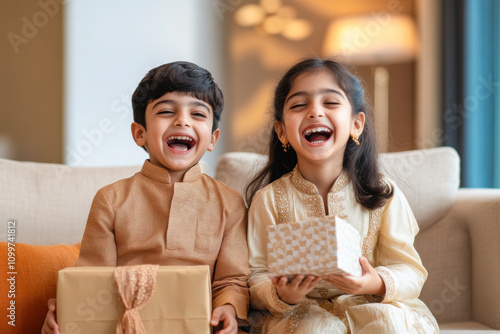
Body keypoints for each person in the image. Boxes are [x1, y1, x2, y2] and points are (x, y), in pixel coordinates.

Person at [42, 61, 250, 334]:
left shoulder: (230, 202)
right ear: (140, 133)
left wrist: (229, 309)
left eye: (198, 114)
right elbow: (91, 278)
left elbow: (232, 280)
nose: (182, 120)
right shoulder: (111, 199)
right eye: (166, 111)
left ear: (212, 139)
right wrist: (68, 311)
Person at [245, 58, 438, 333]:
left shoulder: (384, 193)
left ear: (356, 124)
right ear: (282, 131)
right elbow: (256, 276)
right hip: (299, 314)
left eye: (331, 103)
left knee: (388, 324)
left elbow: (410, 270)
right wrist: (281, 294)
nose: (315, 112)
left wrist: (373, 283)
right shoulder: (269, 199)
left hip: (369, 305)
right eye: (299, 105)